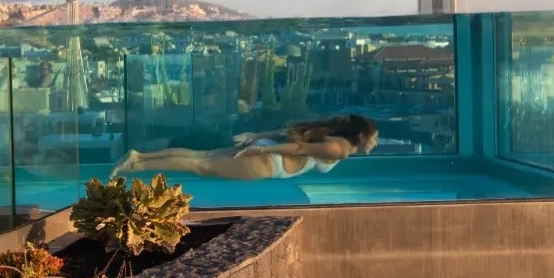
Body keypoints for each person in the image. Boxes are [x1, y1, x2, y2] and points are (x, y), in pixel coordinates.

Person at [111, 114, 379, 181]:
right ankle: (135, 166)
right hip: (267, 161)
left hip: (266, 151)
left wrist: (256, 137)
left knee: (201, 156)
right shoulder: (340, 150)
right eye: (374, 138)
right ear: (361, 136)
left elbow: (284, 134)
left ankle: (139, 156)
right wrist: (260, 149)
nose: (376, 143)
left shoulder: (331, 136)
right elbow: (299, 149)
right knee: (199, 165)